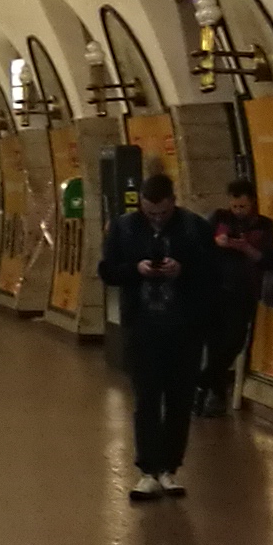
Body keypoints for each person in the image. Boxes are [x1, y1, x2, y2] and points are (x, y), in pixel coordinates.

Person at [97, 169, 218, 500]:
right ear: (142, 207)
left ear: (173, 202)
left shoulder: (194, 227)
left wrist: (183, 270)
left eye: (163, 213)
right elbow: (107, 270)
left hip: (184, 327)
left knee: (180, 399)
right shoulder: (124, 228)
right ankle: (148, 469)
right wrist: (135, 270)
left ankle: (170, 468)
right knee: (147, 399)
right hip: (142, 326)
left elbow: (212, 271)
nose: (157, 219)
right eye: (151, 213)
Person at [201, 178, 273, 418]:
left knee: (234, 340)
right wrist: (217, 242)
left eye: (243, 206)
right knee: (215, 343)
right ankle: (214, 394)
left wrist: (244, 248)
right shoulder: (219, 219)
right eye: (235, 206)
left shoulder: (262, 225)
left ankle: (203, 380)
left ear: (252, 202)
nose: (238, 211)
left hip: (244, 291)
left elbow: (265, 259)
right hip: (215, 289)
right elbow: (200, 246)